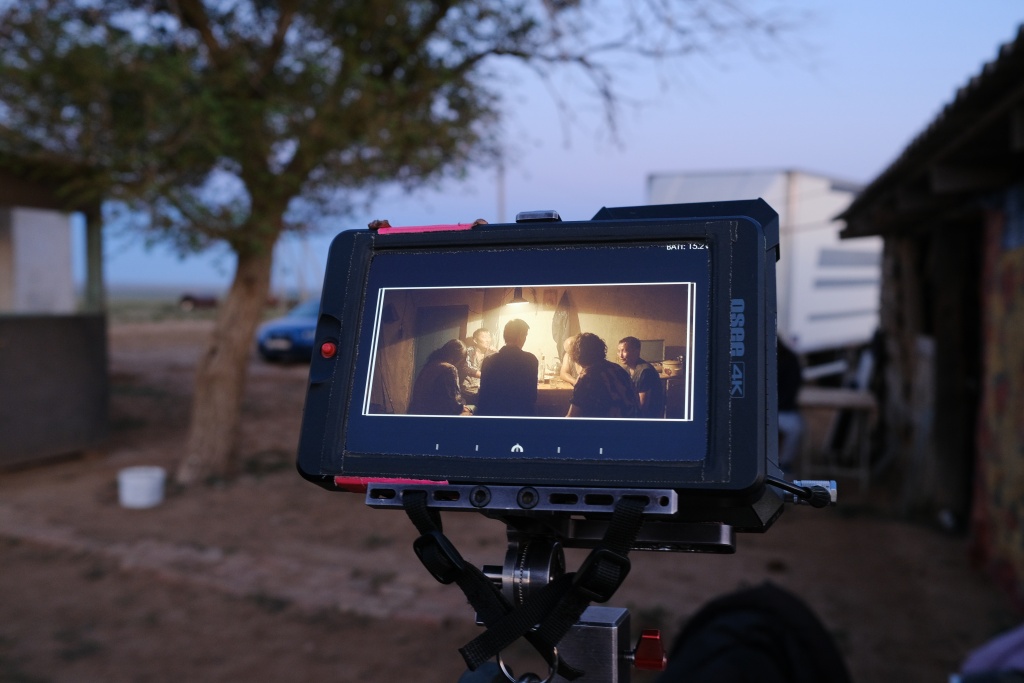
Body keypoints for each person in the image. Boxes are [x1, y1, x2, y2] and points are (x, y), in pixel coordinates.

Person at [566, 333, 638, 418]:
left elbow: (571, 417)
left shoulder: (586, 378)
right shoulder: (617, 368)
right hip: (633, 423)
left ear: (577, 355)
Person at [475, 319, 538, 416]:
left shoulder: (489, 360)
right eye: (525, 335)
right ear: (521, 335)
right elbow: (532, 396)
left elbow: (484, 395)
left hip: (494, 415)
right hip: (521, 415)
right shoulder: (530, 360)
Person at [408, 339, 470, 415]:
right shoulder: (449, 369)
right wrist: (463, 406)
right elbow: (454, 405)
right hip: (435, 415)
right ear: (457, 358)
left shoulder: (432, 364)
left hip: (418, 412)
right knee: (470, 411)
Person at [617, 336, 666, 418]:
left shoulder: (645, 371)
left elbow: (642, 405)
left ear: (636, 352)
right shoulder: (626, 369)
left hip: (648, 417)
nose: (620, 355)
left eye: (624, 351)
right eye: (619, 351)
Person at [777, 337, 805, 471]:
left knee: (796, 428)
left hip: (783, 410)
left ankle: (784, 464)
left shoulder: (789, 359)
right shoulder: (761, 359)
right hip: (771, 410)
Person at [458, 327, 495, 402]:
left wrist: (497, 354)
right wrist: (485, 375)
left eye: (489, 337)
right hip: (468, 391)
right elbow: (466, 368)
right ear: (475, 340)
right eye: (484, 337)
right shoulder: (469, 351)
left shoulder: (492, 353)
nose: (488, 340)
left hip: (484, 391)